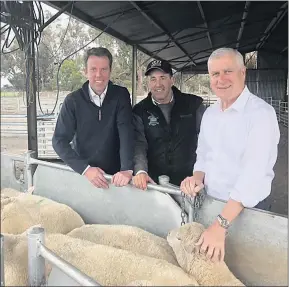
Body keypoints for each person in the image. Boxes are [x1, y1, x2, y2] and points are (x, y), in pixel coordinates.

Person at [180, 48, 280, 262]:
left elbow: (253, 176)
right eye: (215, 74)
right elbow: (203, 154)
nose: (221, 79)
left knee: (246, 268)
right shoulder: (210, 114)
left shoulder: (261, 115)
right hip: (212, 203)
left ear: (242, 73)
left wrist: (220, 225)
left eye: (228, 71)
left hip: (247, 211)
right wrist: (197, 178)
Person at [52, 47, 134, 189]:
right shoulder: (73, 101)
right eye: (93, 69)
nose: (99, 75)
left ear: (110, 71)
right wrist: (85, 169)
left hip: (116, 177)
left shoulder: (121, 95)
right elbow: (59, 140)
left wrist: (127, 169)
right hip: (85, 176)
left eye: (104, 69)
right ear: (85, 71)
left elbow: (126, 131)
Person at [132, 59, 206, 190]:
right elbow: (139, 144)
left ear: (172, 80)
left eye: (163, 78)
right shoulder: (140, 110)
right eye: (153, 79)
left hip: (190, 183)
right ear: (148, 83)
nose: (158, 84)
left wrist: (199, 175)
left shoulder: (193, 104)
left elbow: (206, 143)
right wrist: (140, 171)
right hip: (154, 184)